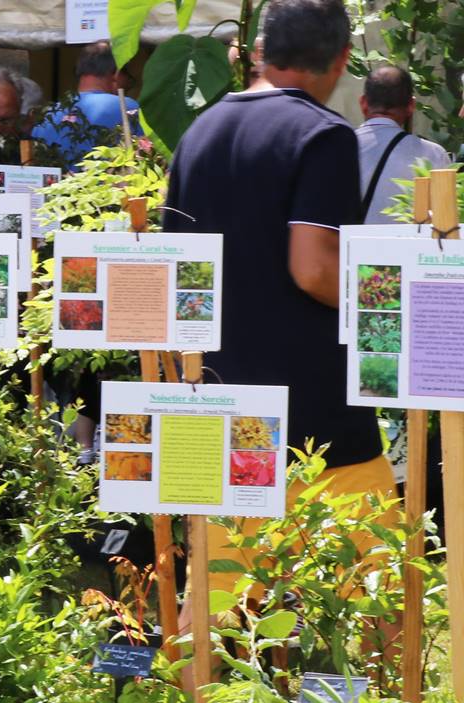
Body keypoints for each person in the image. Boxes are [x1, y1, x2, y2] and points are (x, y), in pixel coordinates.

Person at [164, 0, 395, 584]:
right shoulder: (324, 135)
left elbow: (178, 276)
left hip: (219, 404)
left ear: (261, 50)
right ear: (342, 59)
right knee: (372, 598)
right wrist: (392, 302)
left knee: (218, 608)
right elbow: (313, 268)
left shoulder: (197, 134)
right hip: (316, 421)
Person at [356, 64, 451, 224]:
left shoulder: (339, 148)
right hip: (412, 241)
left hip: (347, 241)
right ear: (411, 105)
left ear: (363, 103)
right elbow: (445, 223)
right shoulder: (434, 155)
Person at [32, 42, 143, 168]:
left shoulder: (48, 115)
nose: (128, 83)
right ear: (116, 74)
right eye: (127, 77)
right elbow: (145, 155)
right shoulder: (127, 107)